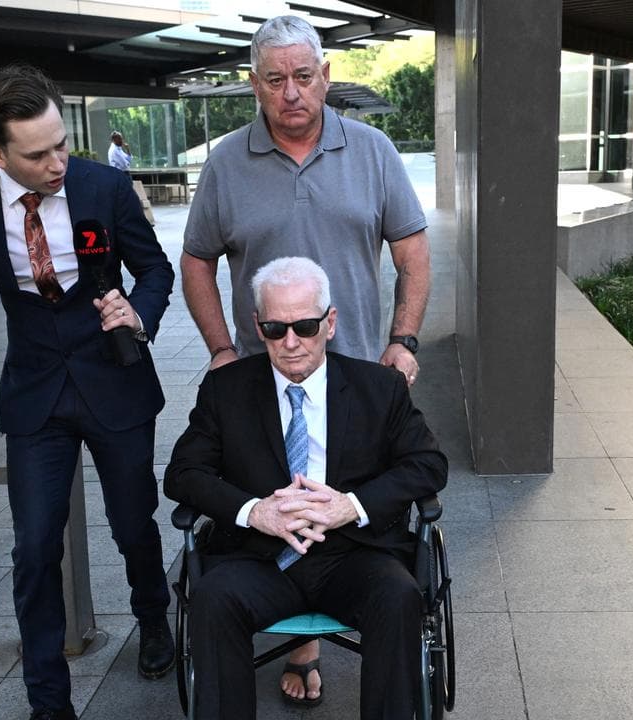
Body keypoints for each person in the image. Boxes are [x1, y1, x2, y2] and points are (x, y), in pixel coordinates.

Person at [180, 14, 432, 702]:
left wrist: (402, 343)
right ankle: (301, 647)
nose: (291, 92)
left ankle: (312, 627)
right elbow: (197, 259)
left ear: (324, 76)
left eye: (302, 76)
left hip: (360, 376)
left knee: (348, 501)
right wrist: (225, 351)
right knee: (275, 486)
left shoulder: (373, 150)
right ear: (254, 86)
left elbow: (411, 254)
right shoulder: (228, 162)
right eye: (274, 79)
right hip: (260, 380)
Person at [0, 64, 176, 720]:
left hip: (117, 379)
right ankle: (48, 698)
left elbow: (154, 269)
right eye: (37, 154)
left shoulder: (104, 186)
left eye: (62, 145)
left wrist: (138, 312)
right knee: (34, 544)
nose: (56, 163)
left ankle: (154, 619)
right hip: (36, 392)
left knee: (133, 523)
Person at [164, 256, 447, 719]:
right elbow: (182, 473)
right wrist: (254, 511)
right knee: (212, 601)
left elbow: (428, 464)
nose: (291, 342)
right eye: (276, 328)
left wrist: (349, 505)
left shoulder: (379, 388)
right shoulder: (226, 390)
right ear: (258, 327)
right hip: (260, 556)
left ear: (330, 323)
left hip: (354, 553)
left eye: (306, 326)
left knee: (399, 598)